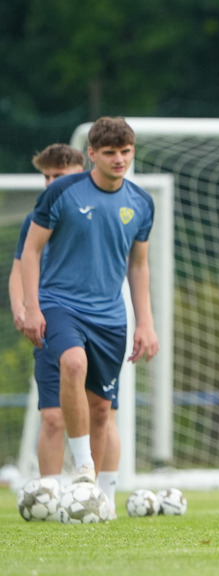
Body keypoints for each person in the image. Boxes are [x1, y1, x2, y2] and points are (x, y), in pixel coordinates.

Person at [19, 118, 158, 493]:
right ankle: (82, 467)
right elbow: (30, 252)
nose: (119, 159)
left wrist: (145, 323)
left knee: (101, 411)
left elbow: (139, 265)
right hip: (59, 303)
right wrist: (32, 307)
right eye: (110, 153)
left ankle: (101, 494)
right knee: (72, 363)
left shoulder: (142, 203)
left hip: (109, 316)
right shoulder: (61, 192)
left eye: (125, 152)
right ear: (92, 154)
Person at [10, 144, 123, 506]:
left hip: (103, 323)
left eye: (58, 176)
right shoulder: (37, 217)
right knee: (53, 417)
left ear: (82, 171)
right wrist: (24, 308)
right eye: (46, 177)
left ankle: (103, 496)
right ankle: (50, 495)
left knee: (103, 413)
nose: (51, 183)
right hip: (53, 324)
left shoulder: (106, 208)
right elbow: (19, 268)